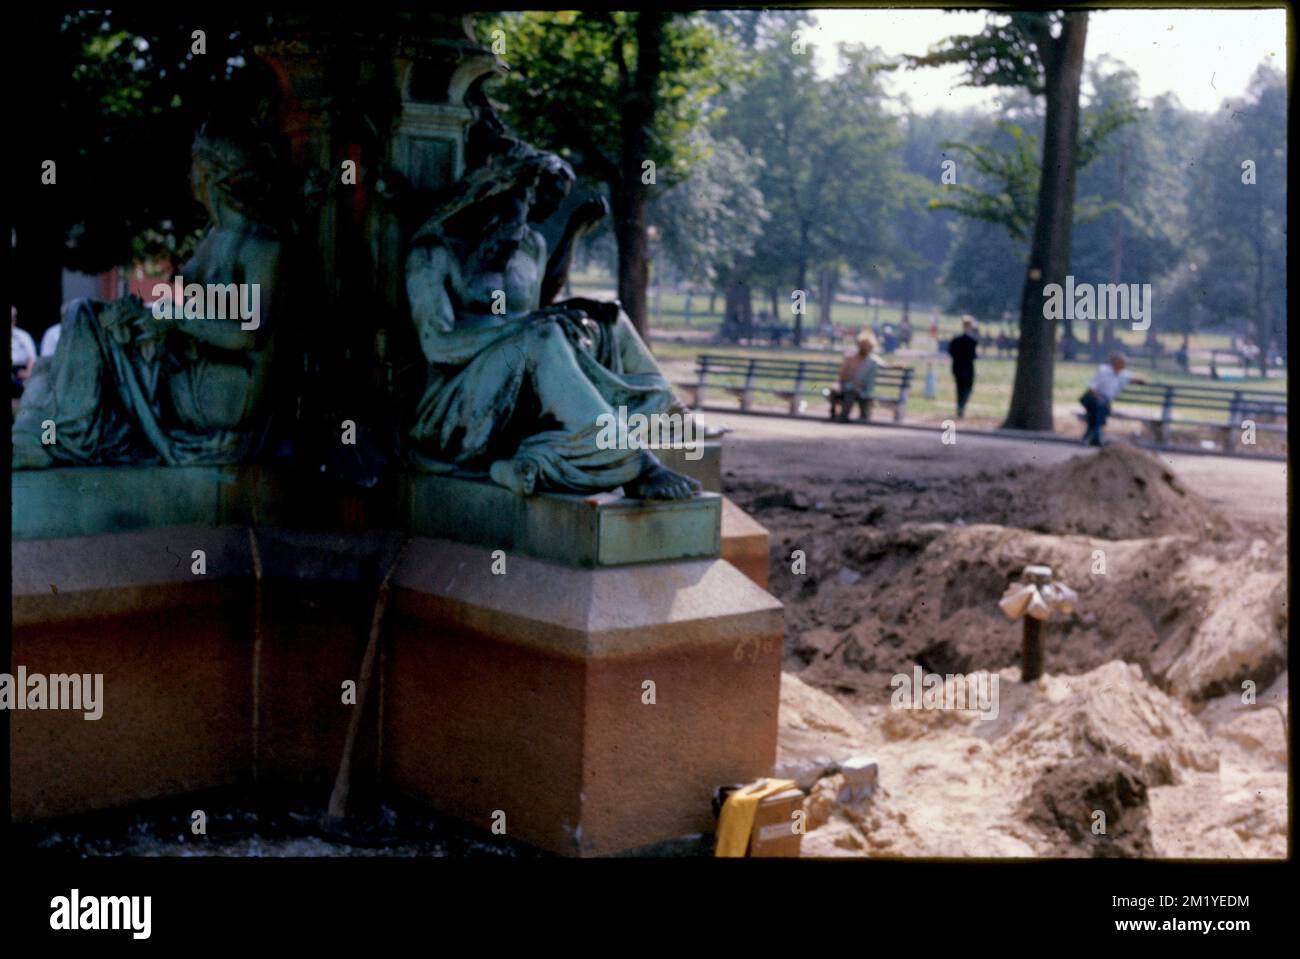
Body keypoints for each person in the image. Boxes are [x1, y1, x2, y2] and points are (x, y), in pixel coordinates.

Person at [402, 102, 699, 500]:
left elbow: (538, 304)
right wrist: (527, 326)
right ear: (488, 192)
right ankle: (632, 460)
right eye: (520, 197)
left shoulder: (529, 245)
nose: (525, 215)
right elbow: (437, 345)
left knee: (605, 318)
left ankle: (659, 415)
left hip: (523, 368)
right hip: (458, 400)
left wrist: (572, 251)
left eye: (532, 203)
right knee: (542, 336)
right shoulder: (435, 254)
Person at [1080, 352, 1146, 446]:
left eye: (1125, 363)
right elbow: (1091, 389)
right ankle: (1095, 436)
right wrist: (1102, 400)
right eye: (1122, 362)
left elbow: (1139, 379)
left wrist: (1140, 380)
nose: (1125, 365)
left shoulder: (1123, 374)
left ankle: (1091, 435)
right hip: (1091, 398)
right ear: (1115, 362)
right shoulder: (1103, 370)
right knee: (1100, 407)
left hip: (1103, 403)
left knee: (1099, 410)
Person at [833, 330, 886, 422]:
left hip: (864, 389)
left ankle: (844, 416)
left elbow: (885, 365)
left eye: (867, 346)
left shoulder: (872, 360)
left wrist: (898, 366)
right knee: (840, 391)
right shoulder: (850, 358)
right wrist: (850, 381)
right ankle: (840, 415)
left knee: (852, 392)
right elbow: (842, 376)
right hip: (847, 386)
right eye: (862, 346)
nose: (864, 348)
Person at [946, 315, 979, 418]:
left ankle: (960, 406)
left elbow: (950, 352)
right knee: (968, 388)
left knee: (959, 389)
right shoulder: (972, 341)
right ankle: (962, 405)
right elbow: (973, 356)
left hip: (957, 367)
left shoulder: (956, 340)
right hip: (968, 368)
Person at [11, 307, 37, 399]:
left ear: (14, 319)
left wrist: (28, 373)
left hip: (22, 370)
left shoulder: (23, 335)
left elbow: (32, 357)